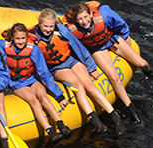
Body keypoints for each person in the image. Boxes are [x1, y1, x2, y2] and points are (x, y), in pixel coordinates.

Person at [30, 8, 126, 137]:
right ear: (39, 24)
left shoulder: (61, 30)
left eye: (51, 26)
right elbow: (41, 68)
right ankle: (98, 124)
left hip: (70, 60)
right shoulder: (34, 39)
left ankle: (116, 118)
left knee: (89, 85)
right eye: (45, 26)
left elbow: (78, 47)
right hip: (56, 68)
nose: (48, 29)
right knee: (78, 85)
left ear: (55, 25)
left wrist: (91, 67)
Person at [64, 1, 153, 123]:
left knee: (141, 63)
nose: (84, 22)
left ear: (90, 14)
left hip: (111, 39)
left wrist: (125, 35)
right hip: (97, 49)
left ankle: (149, 72)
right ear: (76, 20)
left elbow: (119, 22)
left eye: (85, 17)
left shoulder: (103, 15)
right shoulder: (70, 29)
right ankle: (130, 108)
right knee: (114, 77)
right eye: (80, 19)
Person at [1, 23, 73, 142]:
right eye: (17, 38)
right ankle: (50, 131)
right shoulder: (4, 46)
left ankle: (62, 126)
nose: (20, 41)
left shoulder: (33, 49)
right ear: (12, 38)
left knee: (43, 97)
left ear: (27, 37)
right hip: (17, 83)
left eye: (23, 38)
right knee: (34, 100)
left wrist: (59, 96)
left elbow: (44, 73)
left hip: (31, 79)